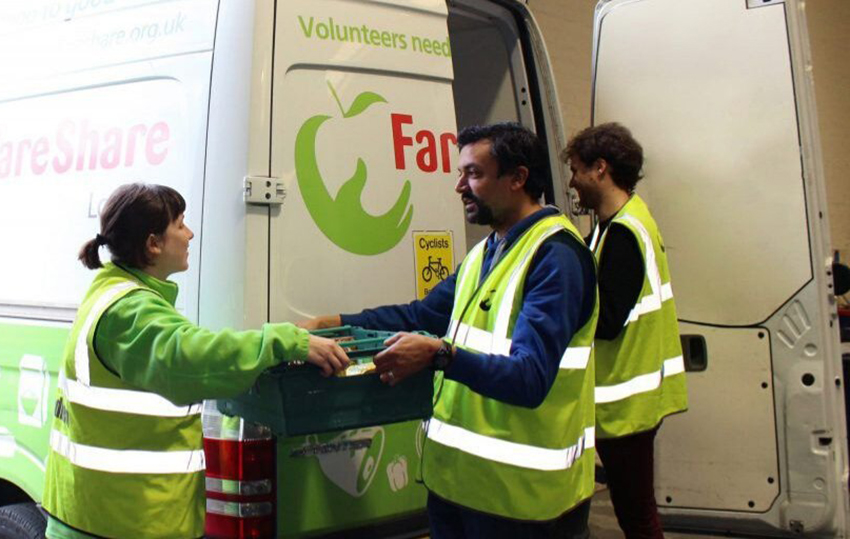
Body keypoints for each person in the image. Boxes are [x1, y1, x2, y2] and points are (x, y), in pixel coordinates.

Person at [304, 123, 598, 539]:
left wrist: (438, 355)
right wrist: (330, 323)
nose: (460, 186)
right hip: (457, 489)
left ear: (518, 178)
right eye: (460, 173)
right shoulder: (487, 252)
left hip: (522, 506)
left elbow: (530, 378)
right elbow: (419, 314)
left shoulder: (557, 258)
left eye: (474, 174)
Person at [42, 183, 350, 539]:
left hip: (105, 514)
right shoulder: (130, 310)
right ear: (153, 244)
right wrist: (285, 341)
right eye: (180, 224)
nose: (190, 234)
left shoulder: (115, 291)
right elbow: (193, 358)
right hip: (119, 521)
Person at [563, 123, 688, 539]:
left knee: (637, 516)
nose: (572, 181)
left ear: (601, 168)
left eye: (578, 170)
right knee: (633, 510)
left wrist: (556, 312)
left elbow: (610, 318)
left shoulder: (624, 233)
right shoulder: (613, 223)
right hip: (624, 399)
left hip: (627, 404)